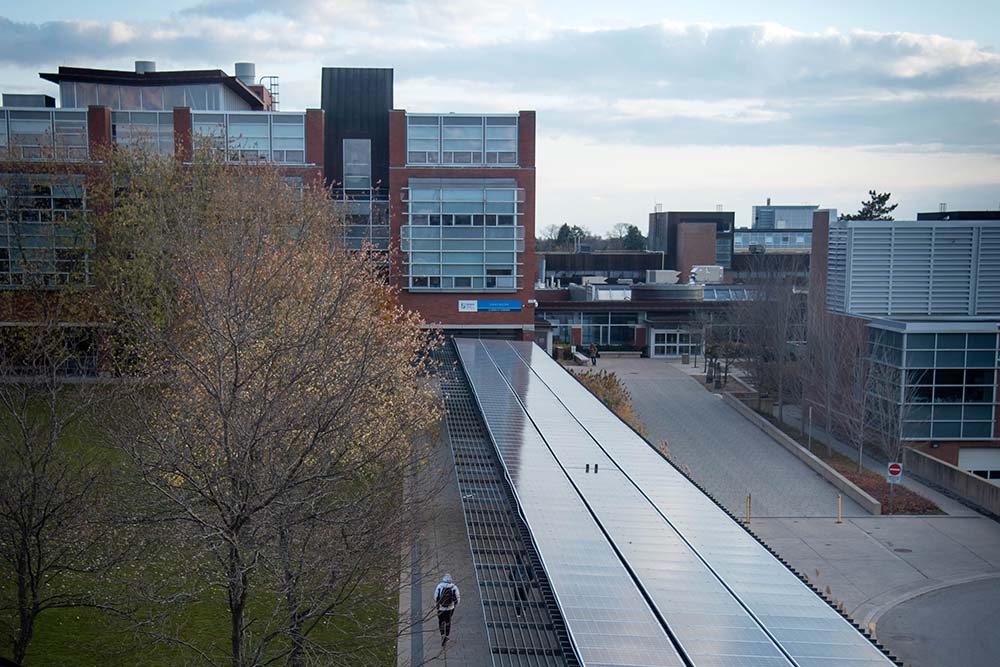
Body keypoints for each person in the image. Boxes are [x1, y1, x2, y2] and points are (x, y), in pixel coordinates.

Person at [434, 573, 460, 647]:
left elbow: (435, 597)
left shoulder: (439, 586)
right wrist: (454, 604)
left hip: (441, 608)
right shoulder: (454, 587)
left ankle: (442, 634)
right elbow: (457, 598)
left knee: (441, 621)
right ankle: (447, 635)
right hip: (450, 608)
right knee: (448, 621)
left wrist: (438, 604)